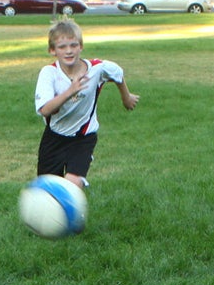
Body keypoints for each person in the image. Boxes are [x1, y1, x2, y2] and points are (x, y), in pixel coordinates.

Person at [33, 18, 139, 185]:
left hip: (83, 137)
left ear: (81, 46)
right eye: (62, 47)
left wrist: (126, 97)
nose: (69, 51)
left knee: (72, 183)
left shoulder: (97, 68)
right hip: (54, 137)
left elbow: (117, 73)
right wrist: (70, 91)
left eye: (73, 45)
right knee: (48, 188)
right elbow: (45, 110)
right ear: (52, 50)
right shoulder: (49, 73)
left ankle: (74, 208)